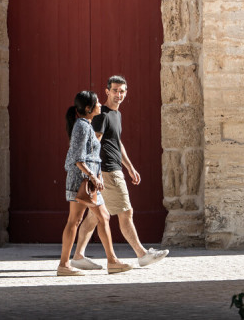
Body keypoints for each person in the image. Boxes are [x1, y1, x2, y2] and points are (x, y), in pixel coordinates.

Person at [70, 76, 170, 270]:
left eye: (122, 91)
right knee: (126, 211)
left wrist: (130, 167)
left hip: (113, 168)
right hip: (108, 171)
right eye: (115, 90)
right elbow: (95, 142)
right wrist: (94, 172)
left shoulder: (117, 114)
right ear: (107, 91)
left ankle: (78, 256)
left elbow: (117, 143)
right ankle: (142, 254)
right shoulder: (102, 114)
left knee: (94, 216)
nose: (119, 94)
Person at [57, 90, 132, 276]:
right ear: (89, 108)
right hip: (82, 181)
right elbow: (78, 158)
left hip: (86, 181)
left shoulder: (85, 125)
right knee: (80, 220)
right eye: (97, 103)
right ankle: (66, 265)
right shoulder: (82, 126)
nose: (100, 105)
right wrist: (94, 177)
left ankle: (108, 261)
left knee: (95, 218)